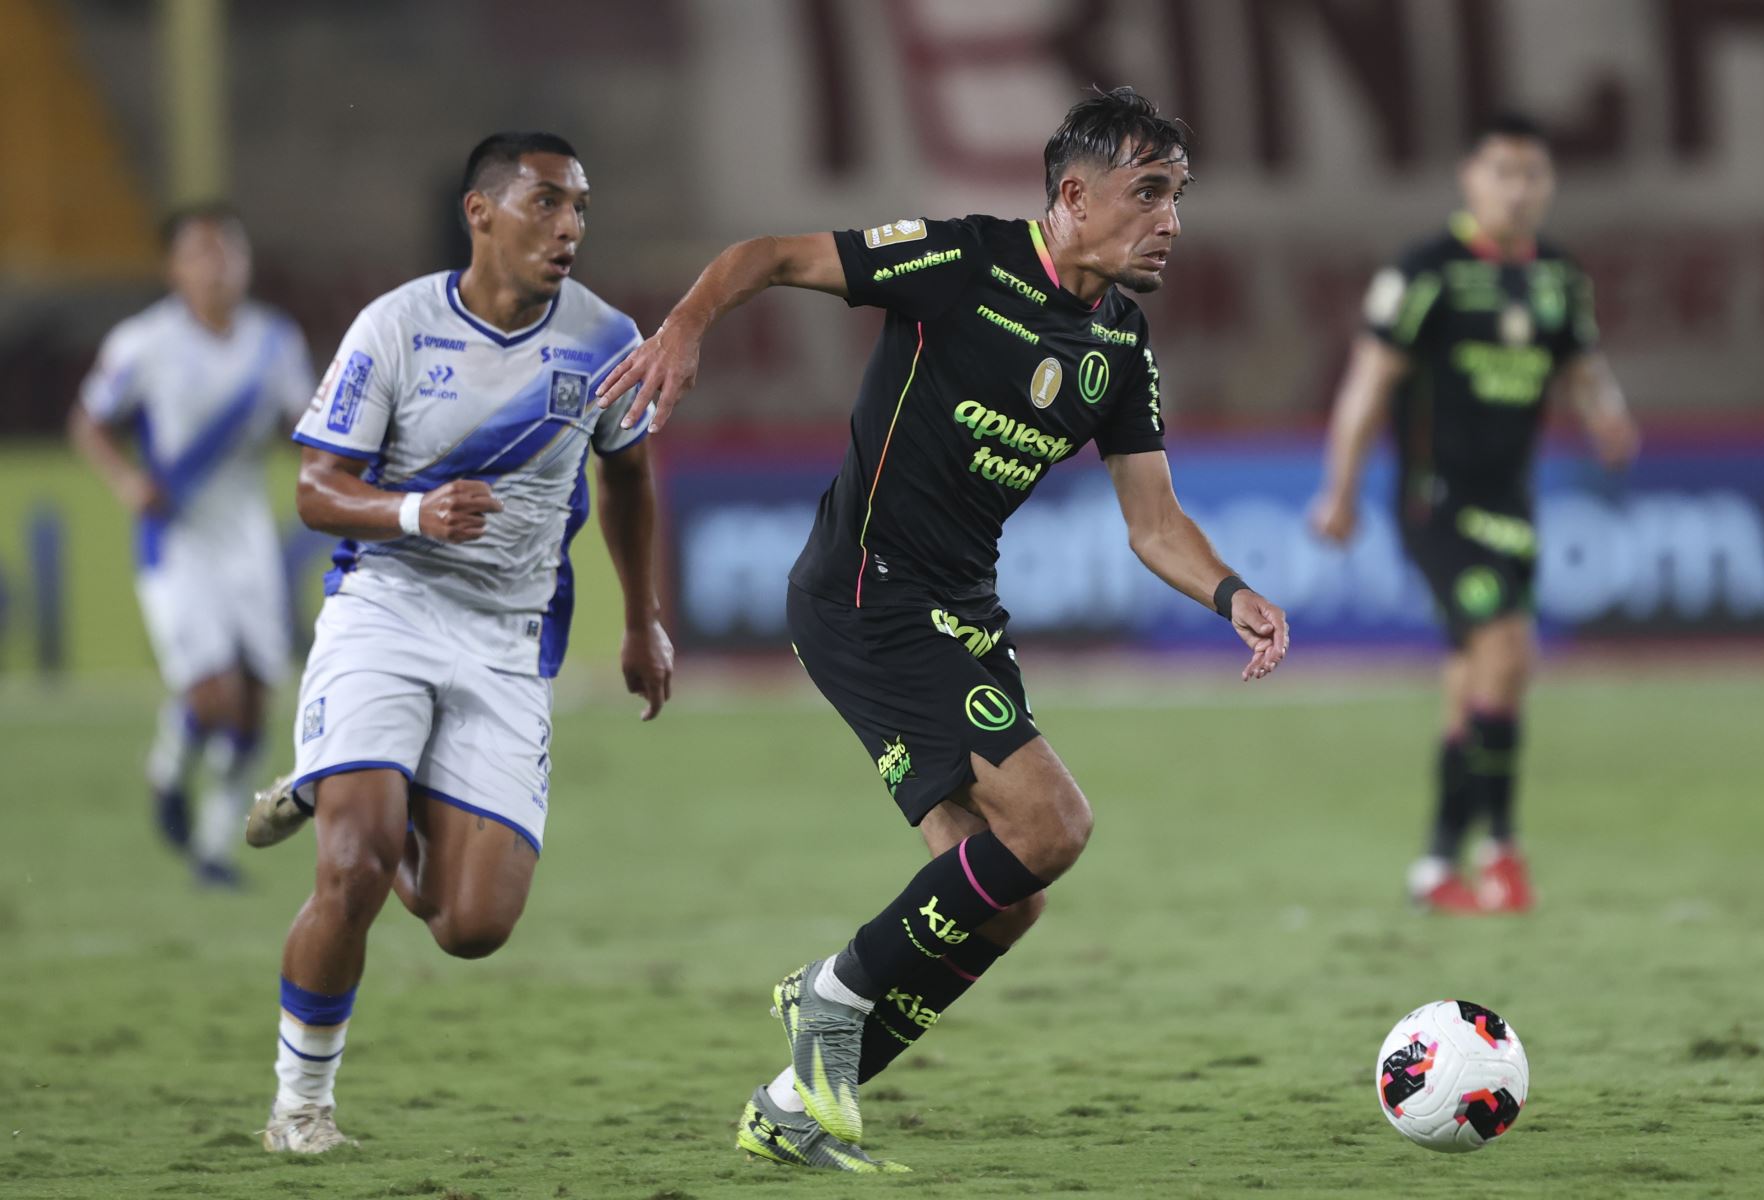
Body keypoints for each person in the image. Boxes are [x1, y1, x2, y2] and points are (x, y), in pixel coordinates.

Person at [596, 86, 1290, 1173]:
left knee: (1004, 904)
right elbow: (769, 256)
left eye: (1179, 197)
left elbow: (1154, 522)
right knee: (1053, 824)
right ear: (1073, 196)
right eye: (1149, 192)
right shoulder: (964, 261)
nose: (1170, 220)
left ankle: (792, 1104)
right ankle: (828, 994)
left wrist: (1229, 591)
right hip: (866, 595)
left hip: (958, 611)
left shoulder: (1119, 340)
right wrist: (683, 327)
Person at [242, 132, 674, 1153]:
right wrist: (413, 513)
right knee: (353, 868)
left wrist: (640, 617)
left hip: (508, 639)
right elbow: (316, 489)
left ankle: (342, 779)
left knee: (471, 926)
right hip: (385, 610)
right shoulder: (394, 327)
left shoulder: (605, 338)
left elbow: (627, 478)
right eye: (545, 202)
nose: (568, 227)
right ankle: (300, 1107)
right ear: (480, 212)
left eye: (579, 208)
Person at [1310, 112, 1638, 914]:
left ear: (1548, 184)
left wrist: (1607, 416)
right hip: (1438, 503)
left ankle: (1436, 867)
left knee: (1483, 679)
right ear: (1470, 177)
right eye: (1502, 173)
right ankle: (1502, 851)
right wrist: (1339, 490)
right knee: (1503, 649)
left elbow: (1583, 364)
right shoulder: (1428, 270)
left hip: (1513, 505)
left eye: (1532, 175)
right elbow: (1368, 385)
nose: (1518, 190)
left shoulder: (1558, 276)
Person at [70, 202, 316, 886]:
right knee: (211, 695)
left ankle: (213, 847)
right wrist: (127, 482)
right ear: (173, 268)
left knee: (256, 698)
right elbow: (89, 421)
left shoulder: (275, 341)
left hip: (247, 537)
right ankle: (169, 769)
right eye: (202, 252)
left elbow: (304, 428)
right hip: (176, 539)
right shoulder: (143, 343)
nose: (219, 266)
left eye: (229, 251)